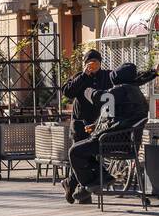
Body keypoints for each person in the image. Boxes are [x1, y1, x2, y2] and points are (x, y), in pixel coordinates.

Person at [64, 62, 155, 202]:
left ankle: (92, 183)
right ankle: (94, 181)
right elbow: (116, 116)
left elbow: (102, 97)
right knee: (85, 149)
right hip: (128, 143)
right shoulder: (135, 92)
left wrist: (88, 91)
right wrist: (97, 126)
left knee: (75, 151)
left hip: (110, 141)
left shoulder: (122, 90)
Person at [61, 49, 113, 144]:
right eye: (89, 61)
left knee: (99, 151)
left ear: (100, 63)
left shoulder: (107, 76)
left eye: (95, 61)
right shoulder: (79, 77)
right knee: (79, 151)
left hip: (101, 125)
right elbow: (67, 92)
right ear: (85, 64)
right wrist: (84, 76)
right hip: (80, 125)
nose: (92, 64)